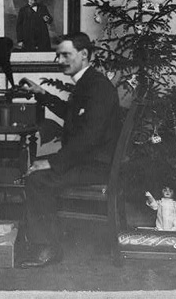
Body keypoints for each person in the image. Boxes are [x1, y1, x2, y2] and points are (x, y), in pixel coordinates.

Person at [18, 32, 122, 268]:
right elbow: (73, 117)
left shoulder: (97, 87)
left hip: (97, 165)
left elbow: (89, 136)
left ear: (84, 55)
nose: (60, 60)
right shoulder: (88, 82)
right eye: (58, 56)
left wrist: (53, 163)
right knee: (37, 167)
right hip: (90, 159)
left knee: (37, 178)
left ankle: (47, 247)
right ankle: (45, 236)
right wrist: (43, 95)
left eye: (66, 54)